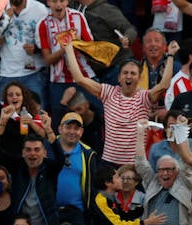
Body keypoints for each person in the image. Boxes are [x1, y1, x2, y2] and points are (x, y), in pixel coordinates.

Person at [61, 28, 178, 166]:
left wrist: (170, 56)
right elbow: (80, 78)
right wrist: (68, 48)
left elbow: (164, 85)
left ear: (139, 78)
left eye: (133, 73)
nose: (129, 76)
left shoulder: (144, 97)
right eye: (125, 73)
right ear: (119, 77)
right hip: (109, 162)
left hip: (136, 164)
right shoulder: (107, 92)